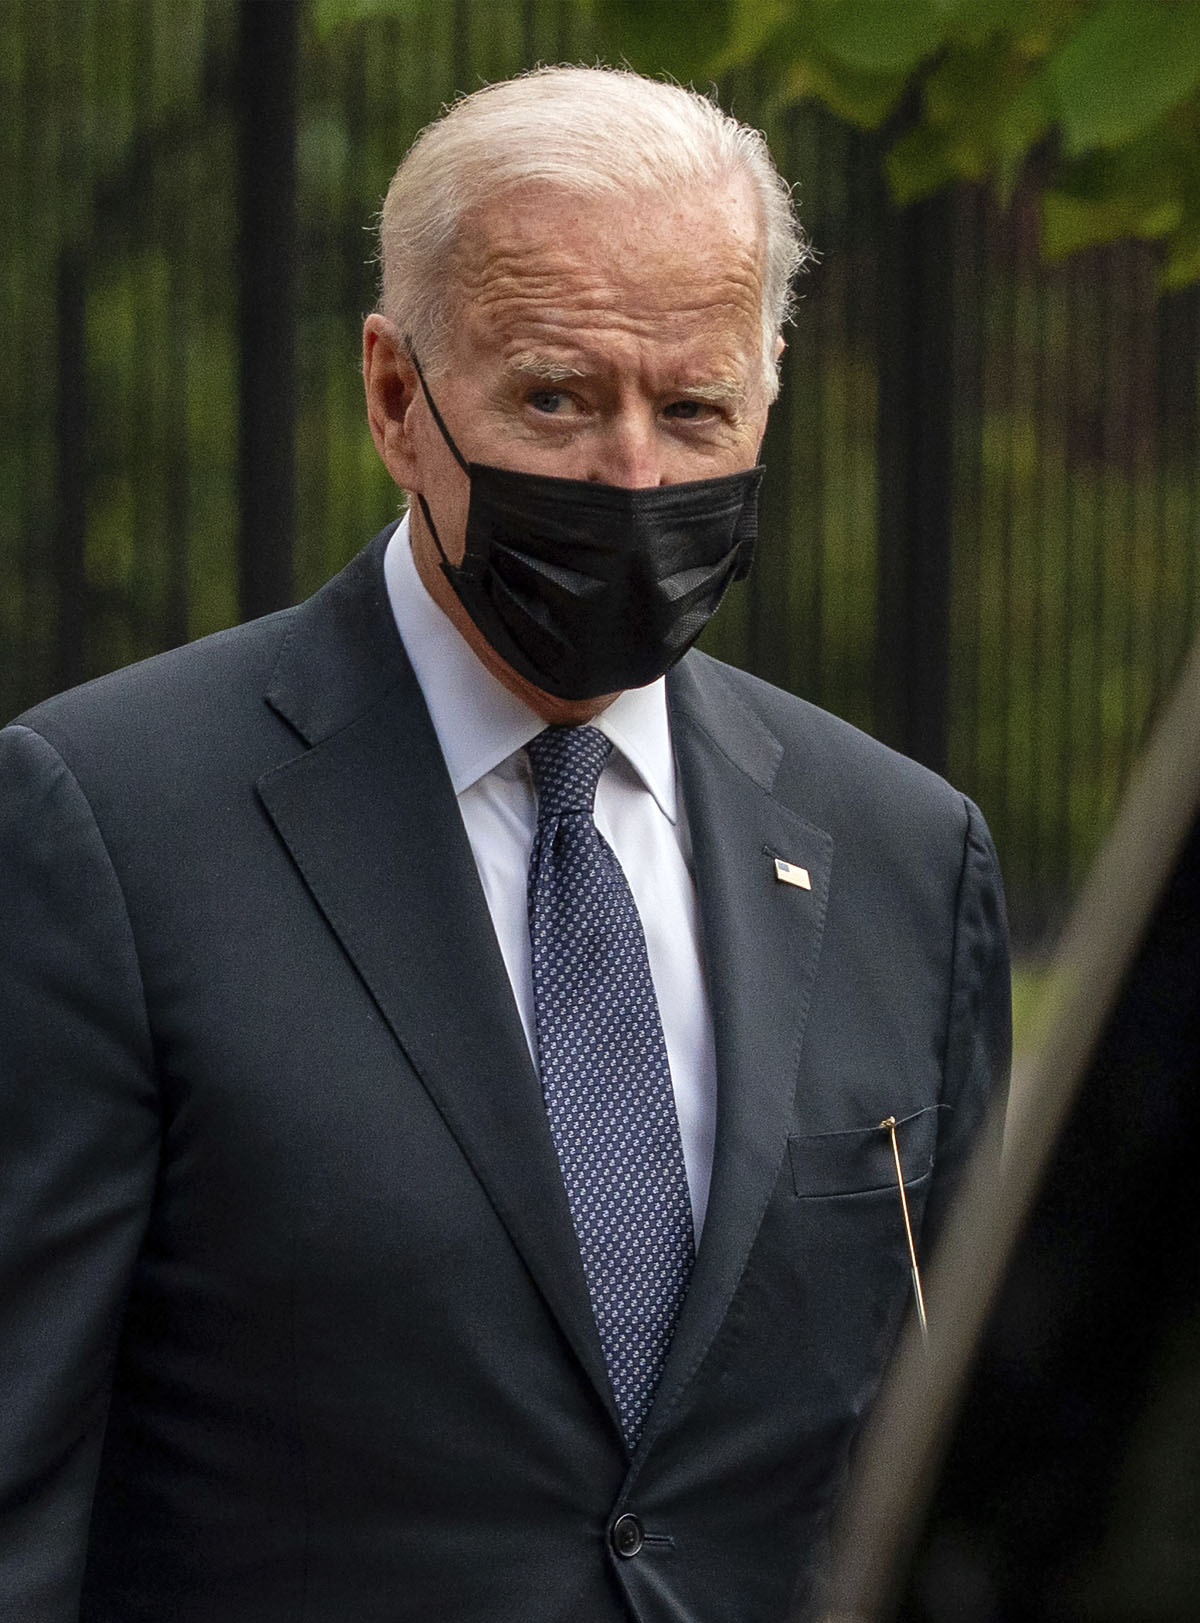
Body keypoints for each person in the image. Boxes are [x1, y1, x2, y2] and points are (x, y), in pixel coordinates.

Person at [0, 67, 1010, 1623]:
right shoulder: (108, 825)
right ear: (398, 398)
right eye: (556, 395)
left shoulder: (904, 855)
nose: (633, 475)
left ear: (770, 390)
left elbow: (981, 1469)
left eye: (693, 409)